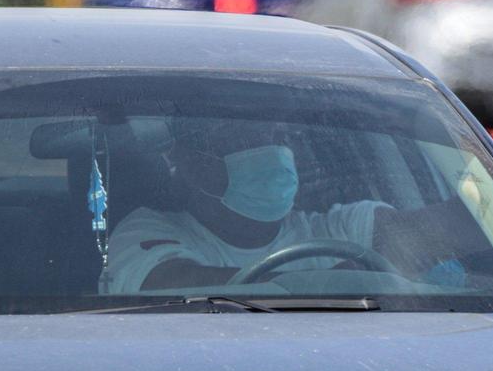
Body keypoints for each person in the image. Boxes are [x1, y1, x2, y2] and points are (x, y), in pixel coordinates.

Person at [105, 118, 473, 293]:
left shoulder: (339, 228)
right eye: (243, 138)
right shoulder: (148, 232)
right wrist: (342, 283)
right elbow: (170, 284)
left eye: (278, 136)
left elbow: (444, 230)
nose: (273, 150)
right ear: (191, 163)